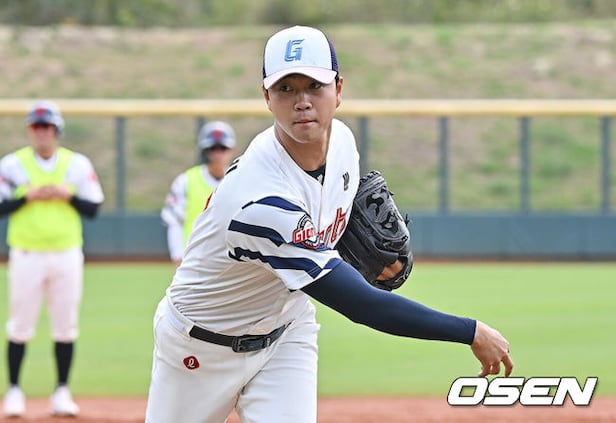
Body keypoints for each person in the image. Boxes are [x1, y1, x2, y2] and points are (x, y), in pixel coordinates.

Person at [145, 25, 513, 423]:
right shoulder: (258, 201)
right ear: (267, 97)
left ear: (338, 90)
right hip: (201, 347)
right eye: (286, 88)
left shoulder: (343, 144)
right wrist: (469, 330)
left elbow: (321, 229)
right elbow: (361, 305)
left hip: (286, 332)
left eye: (314, 86)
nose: (302, 101)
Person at [0, 100, 105, 417]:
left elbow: (93, 207)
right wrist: (26, 197)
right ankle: (14, 391)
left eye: (47, 126)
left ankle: (61, 391)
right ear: (30, 131)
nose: (42, 132)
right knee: (20, 324)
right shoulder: (13, 165)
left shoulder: (76, 164)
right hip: (27, 252)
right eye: (36, 126)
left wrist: (67, 195)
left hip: (66, 253)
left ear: (56, 130)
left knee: (65, 325)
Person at [161, 121, 236, 266]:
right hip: (194, 259)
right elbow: (174, 220)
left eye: (222, 148)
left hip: (230, 259)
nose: (217, 154)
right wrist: (177, 254)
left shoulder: (239, 180)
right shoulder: (186, 181)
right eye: (213, 148)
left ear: (232, 150)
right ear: (205, 151)